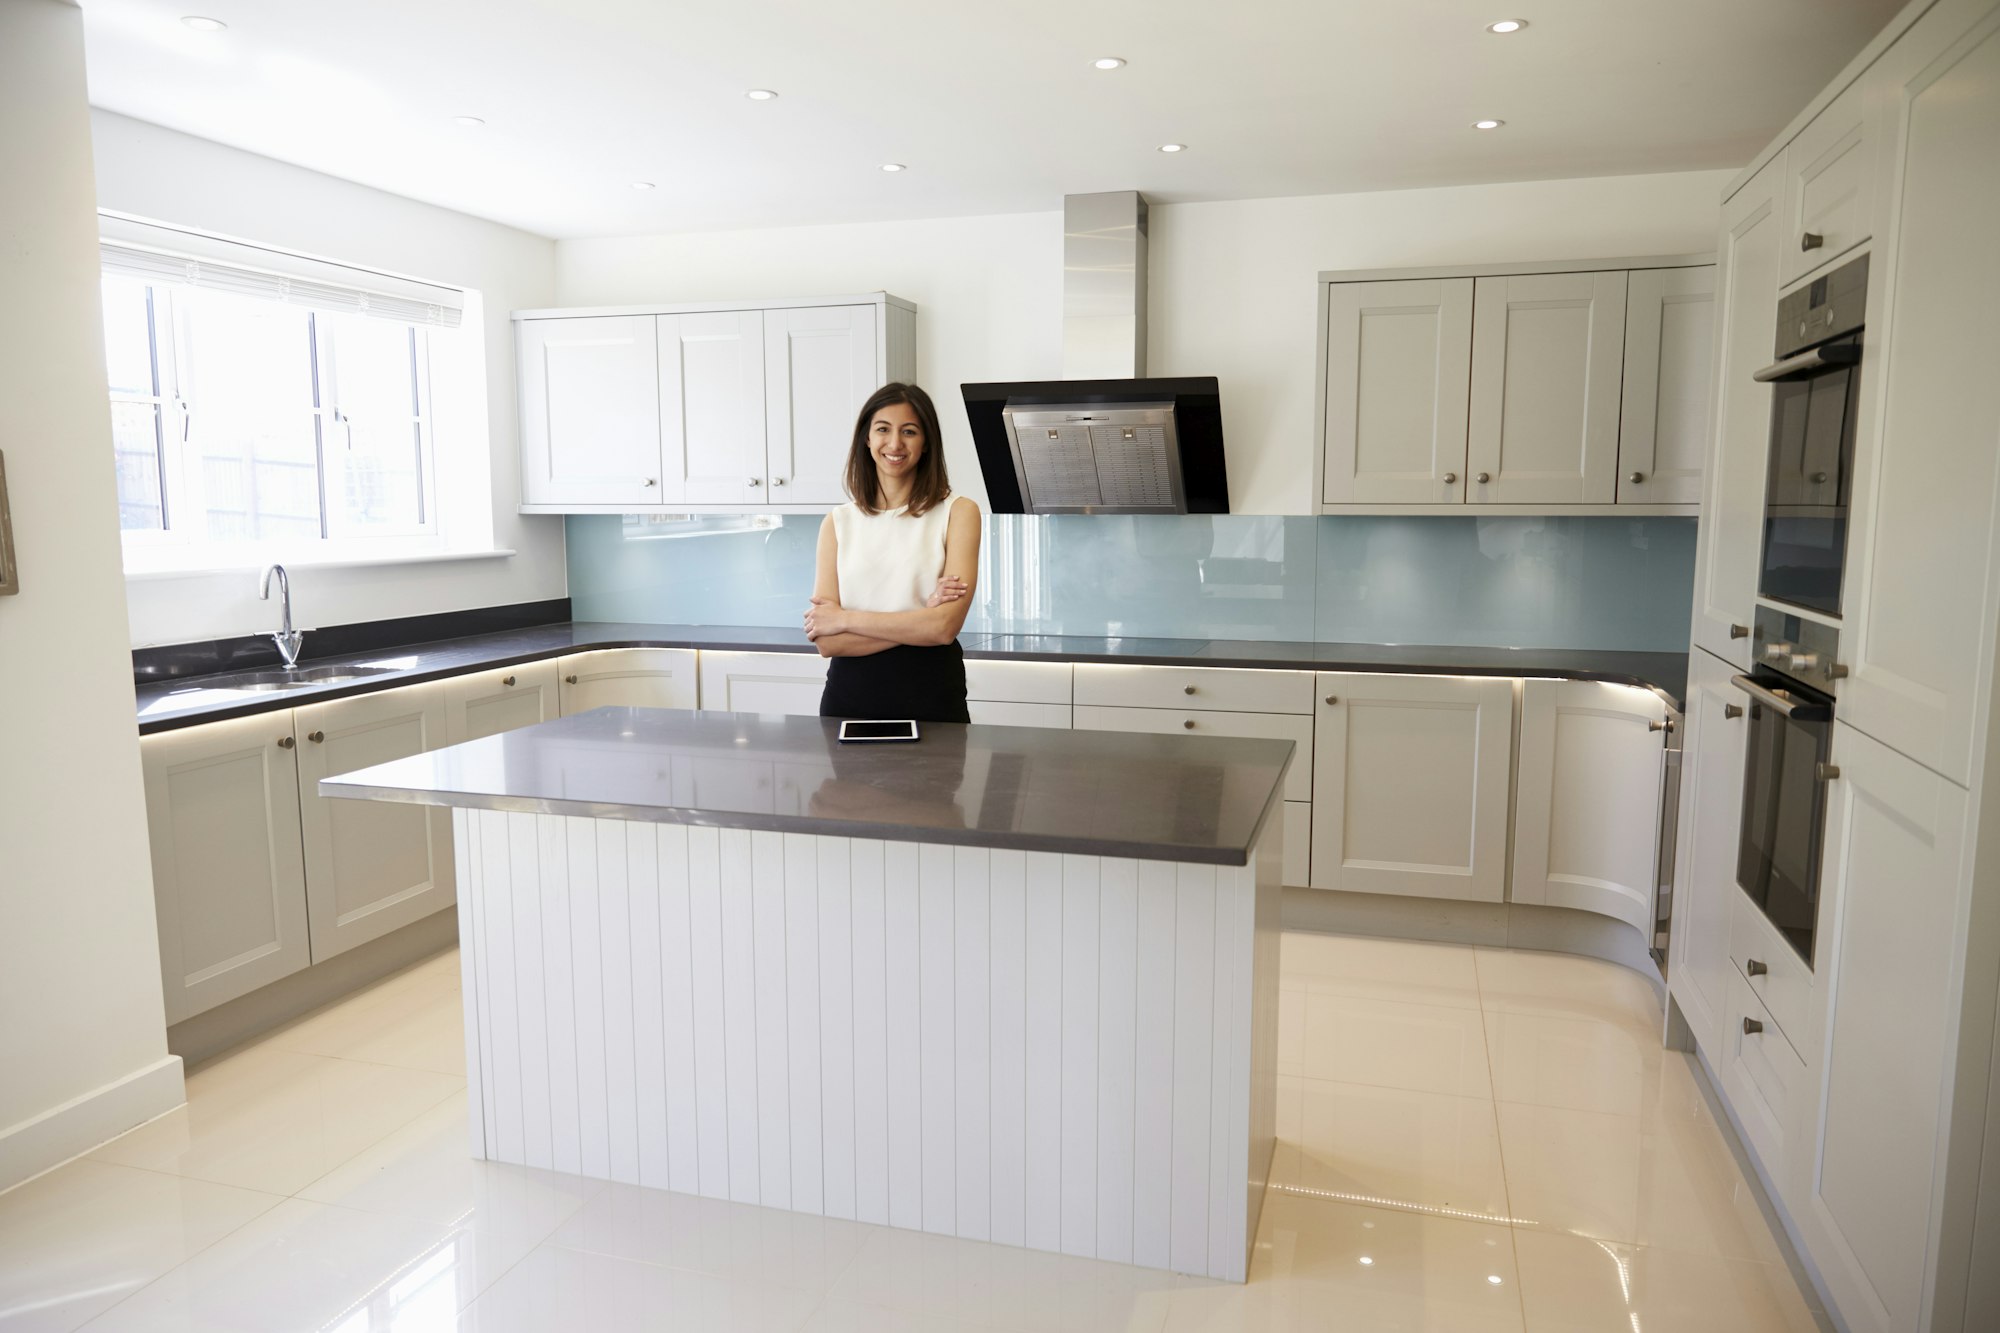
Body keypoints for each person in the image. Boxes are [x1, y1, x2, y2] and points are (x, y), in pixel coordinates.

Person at [804, 382, 980, 723]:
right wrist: (918, 620)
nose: (895, 443)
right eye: (883, 429)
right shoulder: (838, 522)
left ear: (927, 442)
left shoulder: (958, 513)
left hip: (931, 697)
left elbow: (943, 628)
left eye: (909, 431)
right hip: (849, 699)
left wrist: (845, 619)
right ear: (867, 438)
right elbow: (828, 643)